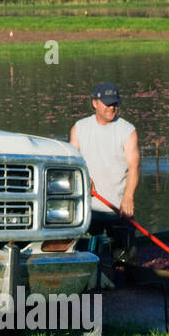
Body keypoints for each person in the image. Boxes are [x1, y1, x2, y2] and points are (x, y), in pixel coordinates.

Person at [69, 81, 139, 263]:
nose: (111, 107)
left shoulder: (127, 130)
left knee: (126, 258)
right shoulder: (79, 128)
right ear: (94, 103)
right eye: (107, 103)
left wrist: (128, 197)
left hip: (118, 207)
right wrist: (83, 178)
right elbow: (72, 164)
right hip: (87, 208)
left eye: (115, 103)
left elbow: (134, 167)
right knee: (87, 257)